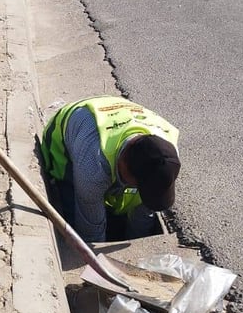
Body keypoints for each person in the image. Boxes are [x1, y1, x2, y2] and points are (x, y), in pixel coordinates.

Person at [39, 96, 181, 243]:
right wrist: (97, 252)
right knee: (73, 208)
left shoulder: (168, 151)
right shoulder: (92, 165)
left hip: (118, 113)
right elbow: (91, 231)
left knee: (138, 200)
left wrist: (139, 241)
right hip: (68, 136)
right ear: (123, 164)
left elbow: (145, 212)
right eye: (138, 185)